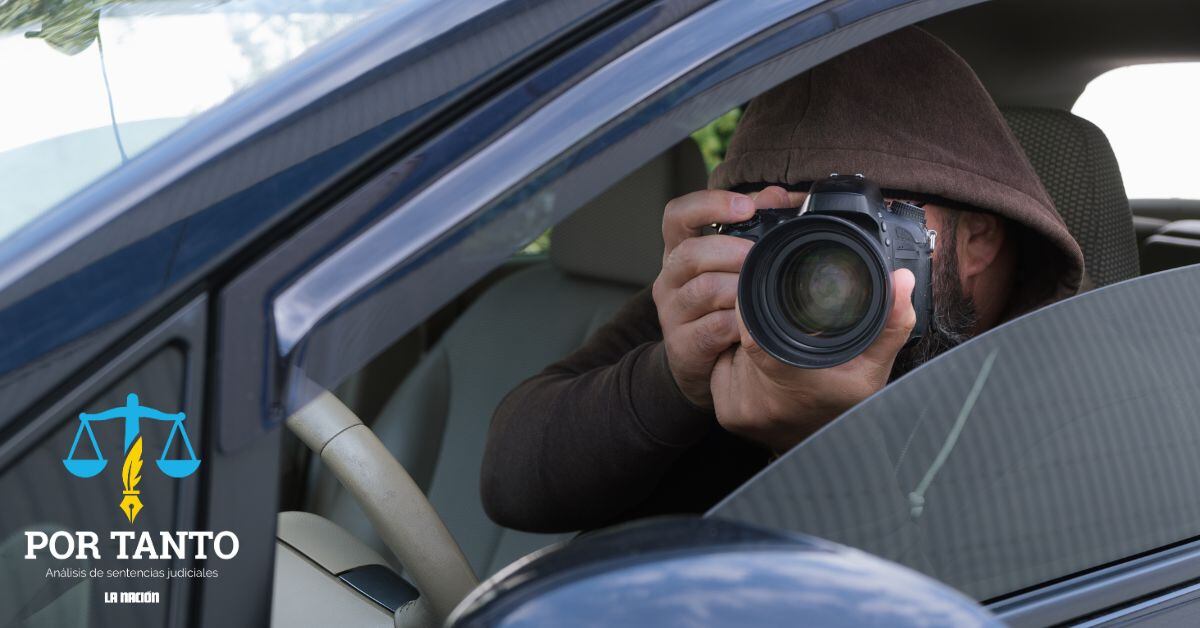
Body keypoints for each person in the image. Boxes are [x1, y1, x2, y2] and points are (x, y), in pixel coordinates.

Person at [481, 27, 1084, 533]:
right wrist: (671, 380)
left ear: (976, 238)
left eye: (857, 223)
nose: (813, 264)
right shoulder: (754, 290)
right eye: (778, 225)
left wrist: (822, 445)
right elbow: (511, 486)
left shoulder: (1085, 393)